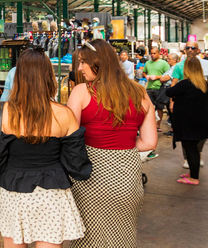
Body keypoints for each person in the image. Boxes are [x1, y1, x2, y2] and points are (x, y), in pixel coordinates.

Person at [0, 49, 91, 247]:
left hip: (13, 191)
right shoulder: (64, 114)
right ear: (49, 77)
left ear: (19, 77)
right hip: (52, 193)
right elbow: (77, 163)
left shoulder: (3, 112)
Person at [66, 39, 157, 248]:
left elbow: (70, 138)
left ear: (97, 62)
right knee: (121, 239)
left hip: (90, 180)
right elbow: (150, 142)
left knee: (89, 240)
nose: (79, 68)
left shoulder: (81, 91)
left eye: (82, 62)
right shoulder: (140, 92)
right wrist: (122, 145)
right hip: (128, 181)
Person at [165, 57, 208, 185]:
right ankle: (193, 172)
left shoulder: (185, 84)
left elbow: (169, 92)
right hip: (200, 121)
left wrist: (171, 82)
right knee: (194, 149)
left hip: (187, 123)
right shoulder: (203, 83)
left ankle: (194, 178)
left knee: (190, 149)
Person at [169, 40, 208, 167]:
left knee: (202, 130)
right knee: (186, 132)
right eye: (187, 48)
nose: (190, 50)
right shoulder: (179, 66)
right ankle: (187, 157)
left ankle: (198, 152)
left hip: (200, 102)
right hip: (184, 104)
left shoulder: (205, 64)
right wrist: (172, 102)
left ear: (197, 50)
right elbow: (174, 83)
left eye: (193, 48)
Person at [143, 49, 170, 133]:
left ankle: (158, 124)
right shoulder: (148, 63)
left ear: (158, 54)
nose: (153, 55)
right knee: (149, 107)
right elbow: (144, 72)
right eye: (151, 53)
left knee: (159, 107)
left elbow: (168, 74)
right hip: (149, 88)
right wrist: (146, 76)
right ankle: (150, 124)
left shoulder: (164, 63)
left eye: (154, 53)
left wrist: (157, 77)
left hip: (160, 88)